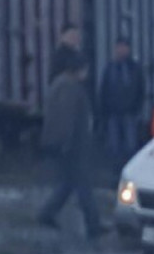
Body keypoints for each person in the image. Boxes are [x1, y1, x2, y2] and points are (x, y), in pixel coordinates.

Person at [38, 55, 108, 240]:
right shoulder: (70, 88)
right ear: (78, 69)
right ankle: (93, 226)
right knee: (83, 186)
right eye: (85, 69)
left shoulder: (60, 84)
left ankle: (47, 214)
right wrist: (65, 142)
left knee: (68, 184)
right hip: (73, 145)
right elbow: (66, 118)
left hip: (68, 144)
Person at [97, 37, 145, 169]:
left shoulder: (134, 68)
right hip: (113, 113)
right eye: (119, 47)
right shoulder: (110, 68)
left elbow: (140, 89)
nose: (121, 50)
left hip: (130, 112)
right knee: (114, 146)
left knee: (130, 145)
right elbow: (104, 90)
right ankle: (115, 172)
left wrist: (137, 108)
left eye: (124, 47)